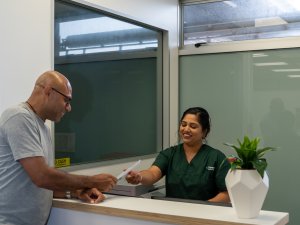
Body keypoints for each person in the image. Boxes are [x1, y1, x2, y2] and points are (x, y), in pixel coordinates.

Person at [0, 70, 117, 225]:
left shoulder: (44, 129)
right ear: (48, 91)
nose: (69, 108)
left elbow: (45, 186)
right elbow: (42, 177)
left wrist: (76, 192)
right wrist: (92, 182)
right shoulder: (18, 117)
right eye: (66, 100)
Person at [126, 107, 230, 202]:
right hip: (174, 213)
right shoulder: (169, 154)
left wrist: (203, 208)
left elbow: (227, 193)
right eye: (183, 124)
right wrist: (139, 176)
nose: (186, 129)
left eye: (193, 126)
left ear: (204, 132)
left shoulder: (216, 157)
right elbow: (152, 174)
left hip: (205, 215)